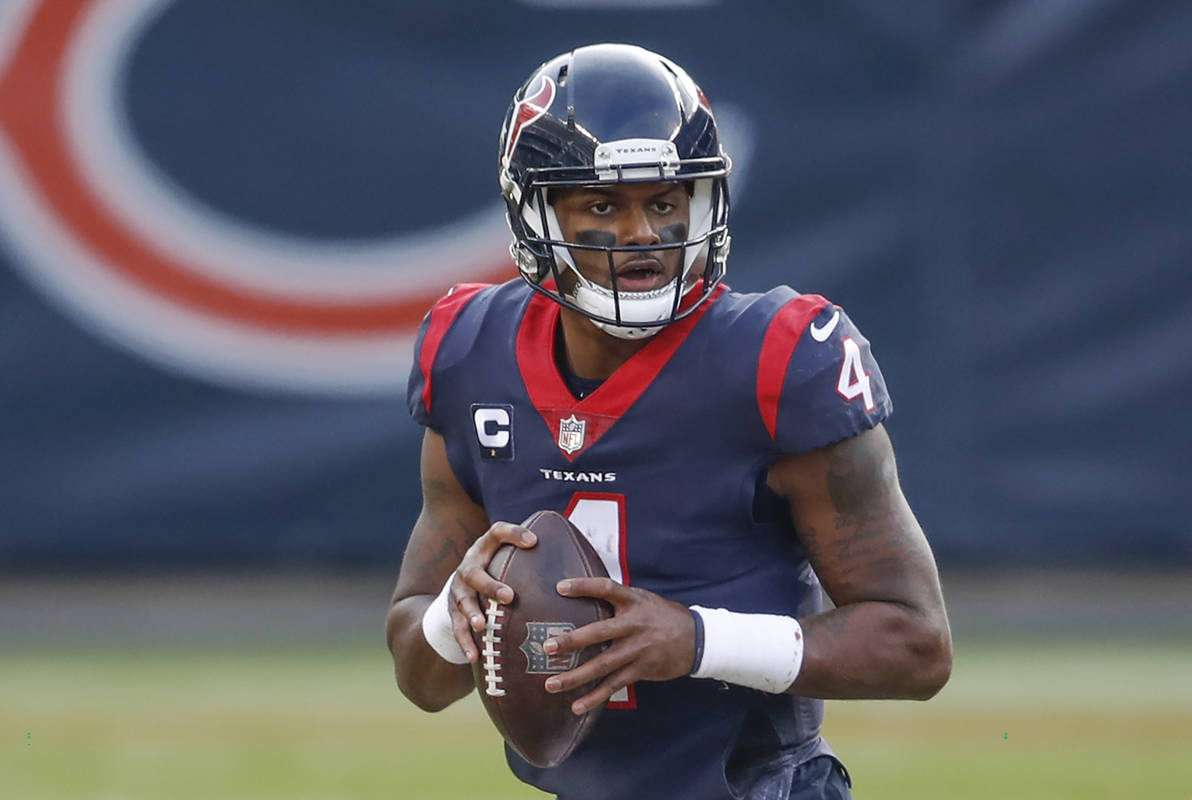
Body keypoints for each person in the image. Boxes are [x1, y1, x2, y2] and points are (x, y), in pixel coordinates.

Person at [386, 43, 951, 800]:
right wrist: (457, 618)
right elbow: (419, 675)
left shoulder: (781, 359)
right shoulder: (468, 351)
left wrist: (697, 641)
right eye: (601, 205)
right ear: (534, 211)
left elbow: (916, 646)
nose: (642, 234)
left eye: (664, 200)